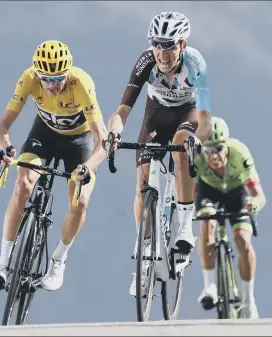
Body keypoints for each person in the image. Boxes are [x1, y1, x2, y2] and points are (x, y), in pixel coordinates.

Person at [105, 11, 212, 296]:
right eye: (157, 44)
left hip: (188, 114)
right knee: (143, 184)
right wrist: (113, 133)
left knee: (180, 148)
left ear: (183, 45)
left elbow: (205, 116)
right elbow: (122, 110)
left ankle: (185, 229)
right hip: (156, 115)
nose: (163, 53)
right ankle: (145, 250)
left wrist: (197, 141)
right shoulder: (145, 62)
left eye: (170, 45)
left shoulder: (195, 64)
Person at [0, 40, 108, 291]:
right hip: (45, 135)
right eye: (46, 79)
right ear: (37, 75)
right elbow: (2, 127)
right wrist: (6, 147)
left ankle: (58, 261)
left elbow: (103, 140)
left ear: (68, 74)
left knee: (80, 199)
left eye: (58, 79)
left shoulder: (81, 84)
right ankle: (3, 263)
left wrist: (88, 167)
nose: (52, 86)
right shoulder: (29, 78)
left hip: (79, 142)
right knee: (22, 185)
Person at [194, 116, 266, 318]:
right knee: (207, 223)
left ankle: (248, 301)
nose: (212, 156)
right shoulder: (197, 158)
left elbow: (259, 195)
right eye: (207, 150)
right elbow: (191, 191)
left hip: (236, 194)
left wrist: (254, 204)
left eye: (217, 149)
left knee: (243, 239)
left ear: (226, 146)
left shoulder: (240, 154)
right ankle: (209, 286)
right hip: (208, 193)